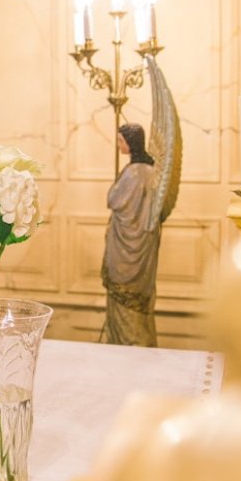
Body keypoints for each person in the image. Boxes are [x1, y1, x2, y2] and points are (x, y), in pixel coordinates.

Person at [100, 123, 160, 347]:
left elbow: (113, 199)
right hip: (143, 244)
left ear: (130, 143)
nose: (118, 146)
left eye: (120, 141)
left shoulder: (134, 172)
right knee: (135, 306)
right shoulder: (152, 171)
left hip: (127, 248)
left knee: (123, 302)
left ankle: (126, 346)